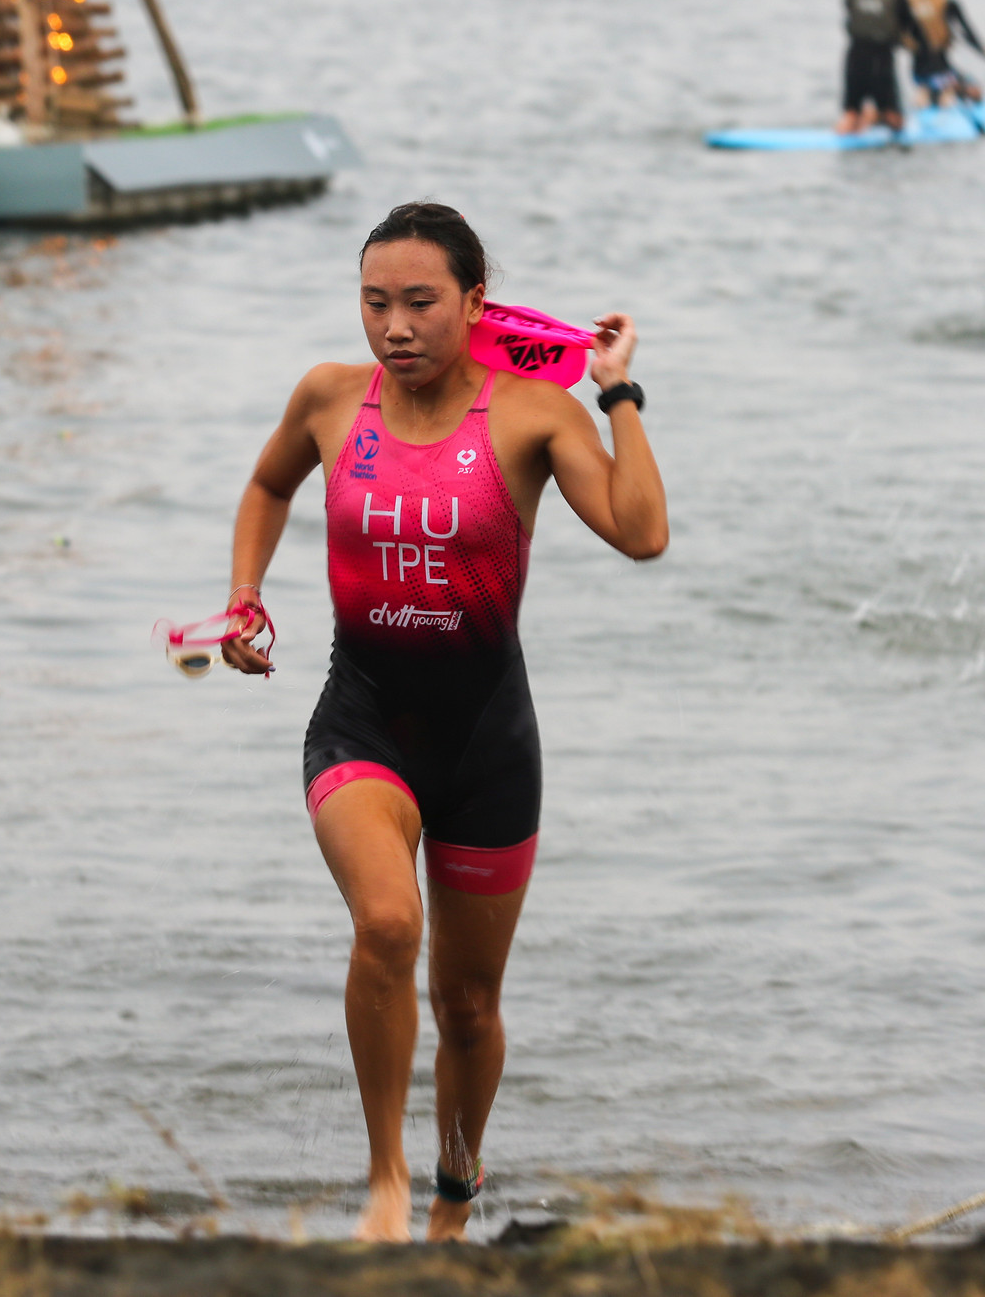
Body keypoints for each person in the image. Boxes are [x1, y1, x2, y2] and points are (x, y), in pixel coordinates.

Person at [218, 203, 669, 1242]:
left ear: (474, 302)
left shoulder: (528, 417)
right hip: (362, 721)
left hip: (487, 746)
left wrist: (616, 393)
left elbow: (642, 532)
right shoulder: (330, 399)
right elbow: (265, 482)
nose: (395, 327)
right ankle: (383, 1179)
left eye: (420, 303)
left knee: (467, 1005)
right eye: (375, 303)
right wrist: (244, 594)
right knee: (384, 922)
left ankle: (454, 1191)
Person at [837, 0, 912, 135]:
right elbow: (907, 28)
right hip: (882, 58)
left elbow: (849, 17)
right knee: (896, 121)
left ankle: (861, 117)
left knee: (850, 113)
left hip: (855, 55)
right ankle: (873, 116)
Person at [906, 0, 985, 109]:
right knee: (976, 92)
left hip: (917, 73)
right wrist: (983, 50)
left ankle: (928, 92)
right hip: (942, 69)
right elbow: (968, 33)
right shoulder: (948, 3)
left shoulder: (911, 2)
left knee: (947, 84)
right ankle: (939, 95)